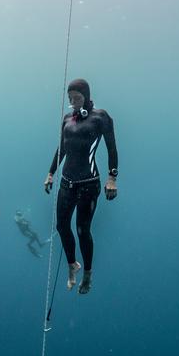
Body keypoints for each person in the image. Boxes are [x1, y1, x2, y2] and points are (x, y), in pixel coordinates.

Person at [44, 79, 118, 295]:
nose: (73, 102)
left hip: (88, 184)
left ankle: (87, 273)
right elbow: (62, 149)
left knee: (82, 230)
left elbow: (112, 149)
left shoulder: (101, 117)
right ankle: (72, 265)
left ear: (86, 95)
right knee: (61, 227)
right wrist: (50, 173)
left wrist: (112, 178)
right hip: (66, 183)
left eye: (77, 98)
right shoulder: (67, 119)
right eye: (70, 99)